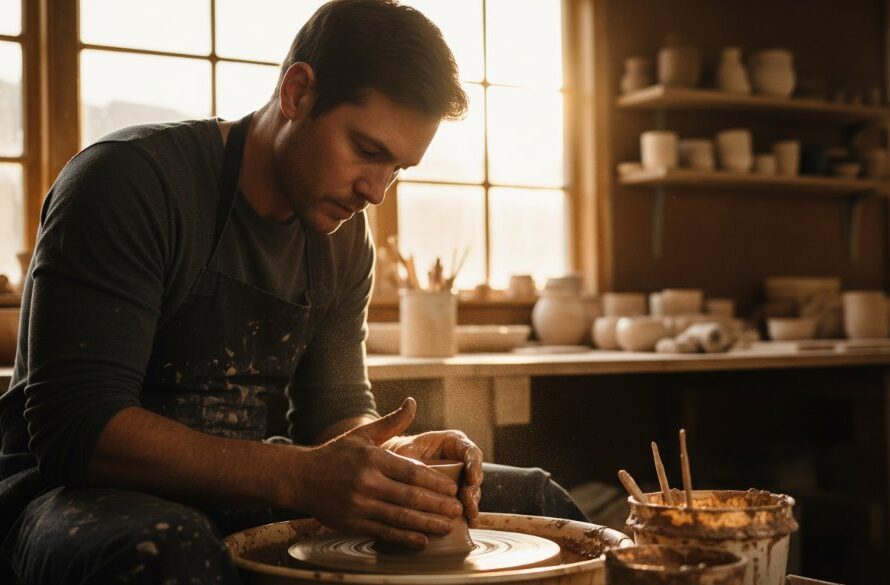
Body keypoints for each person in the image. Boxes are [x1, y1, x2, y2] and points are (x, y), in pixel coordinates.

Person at [0, 1, 586, 583]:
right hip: (72, 496)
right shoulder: (130, 181)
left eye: (398, 169)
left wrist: (388, 460)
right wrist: (298, 476)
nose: (377, 192)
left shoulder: (343, 237)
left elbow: (332, 413)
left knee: (535, 500)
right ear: (297, 93)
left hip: (255, 484)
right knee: (170, 547)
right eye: (368, 151)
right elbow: (77, 430)